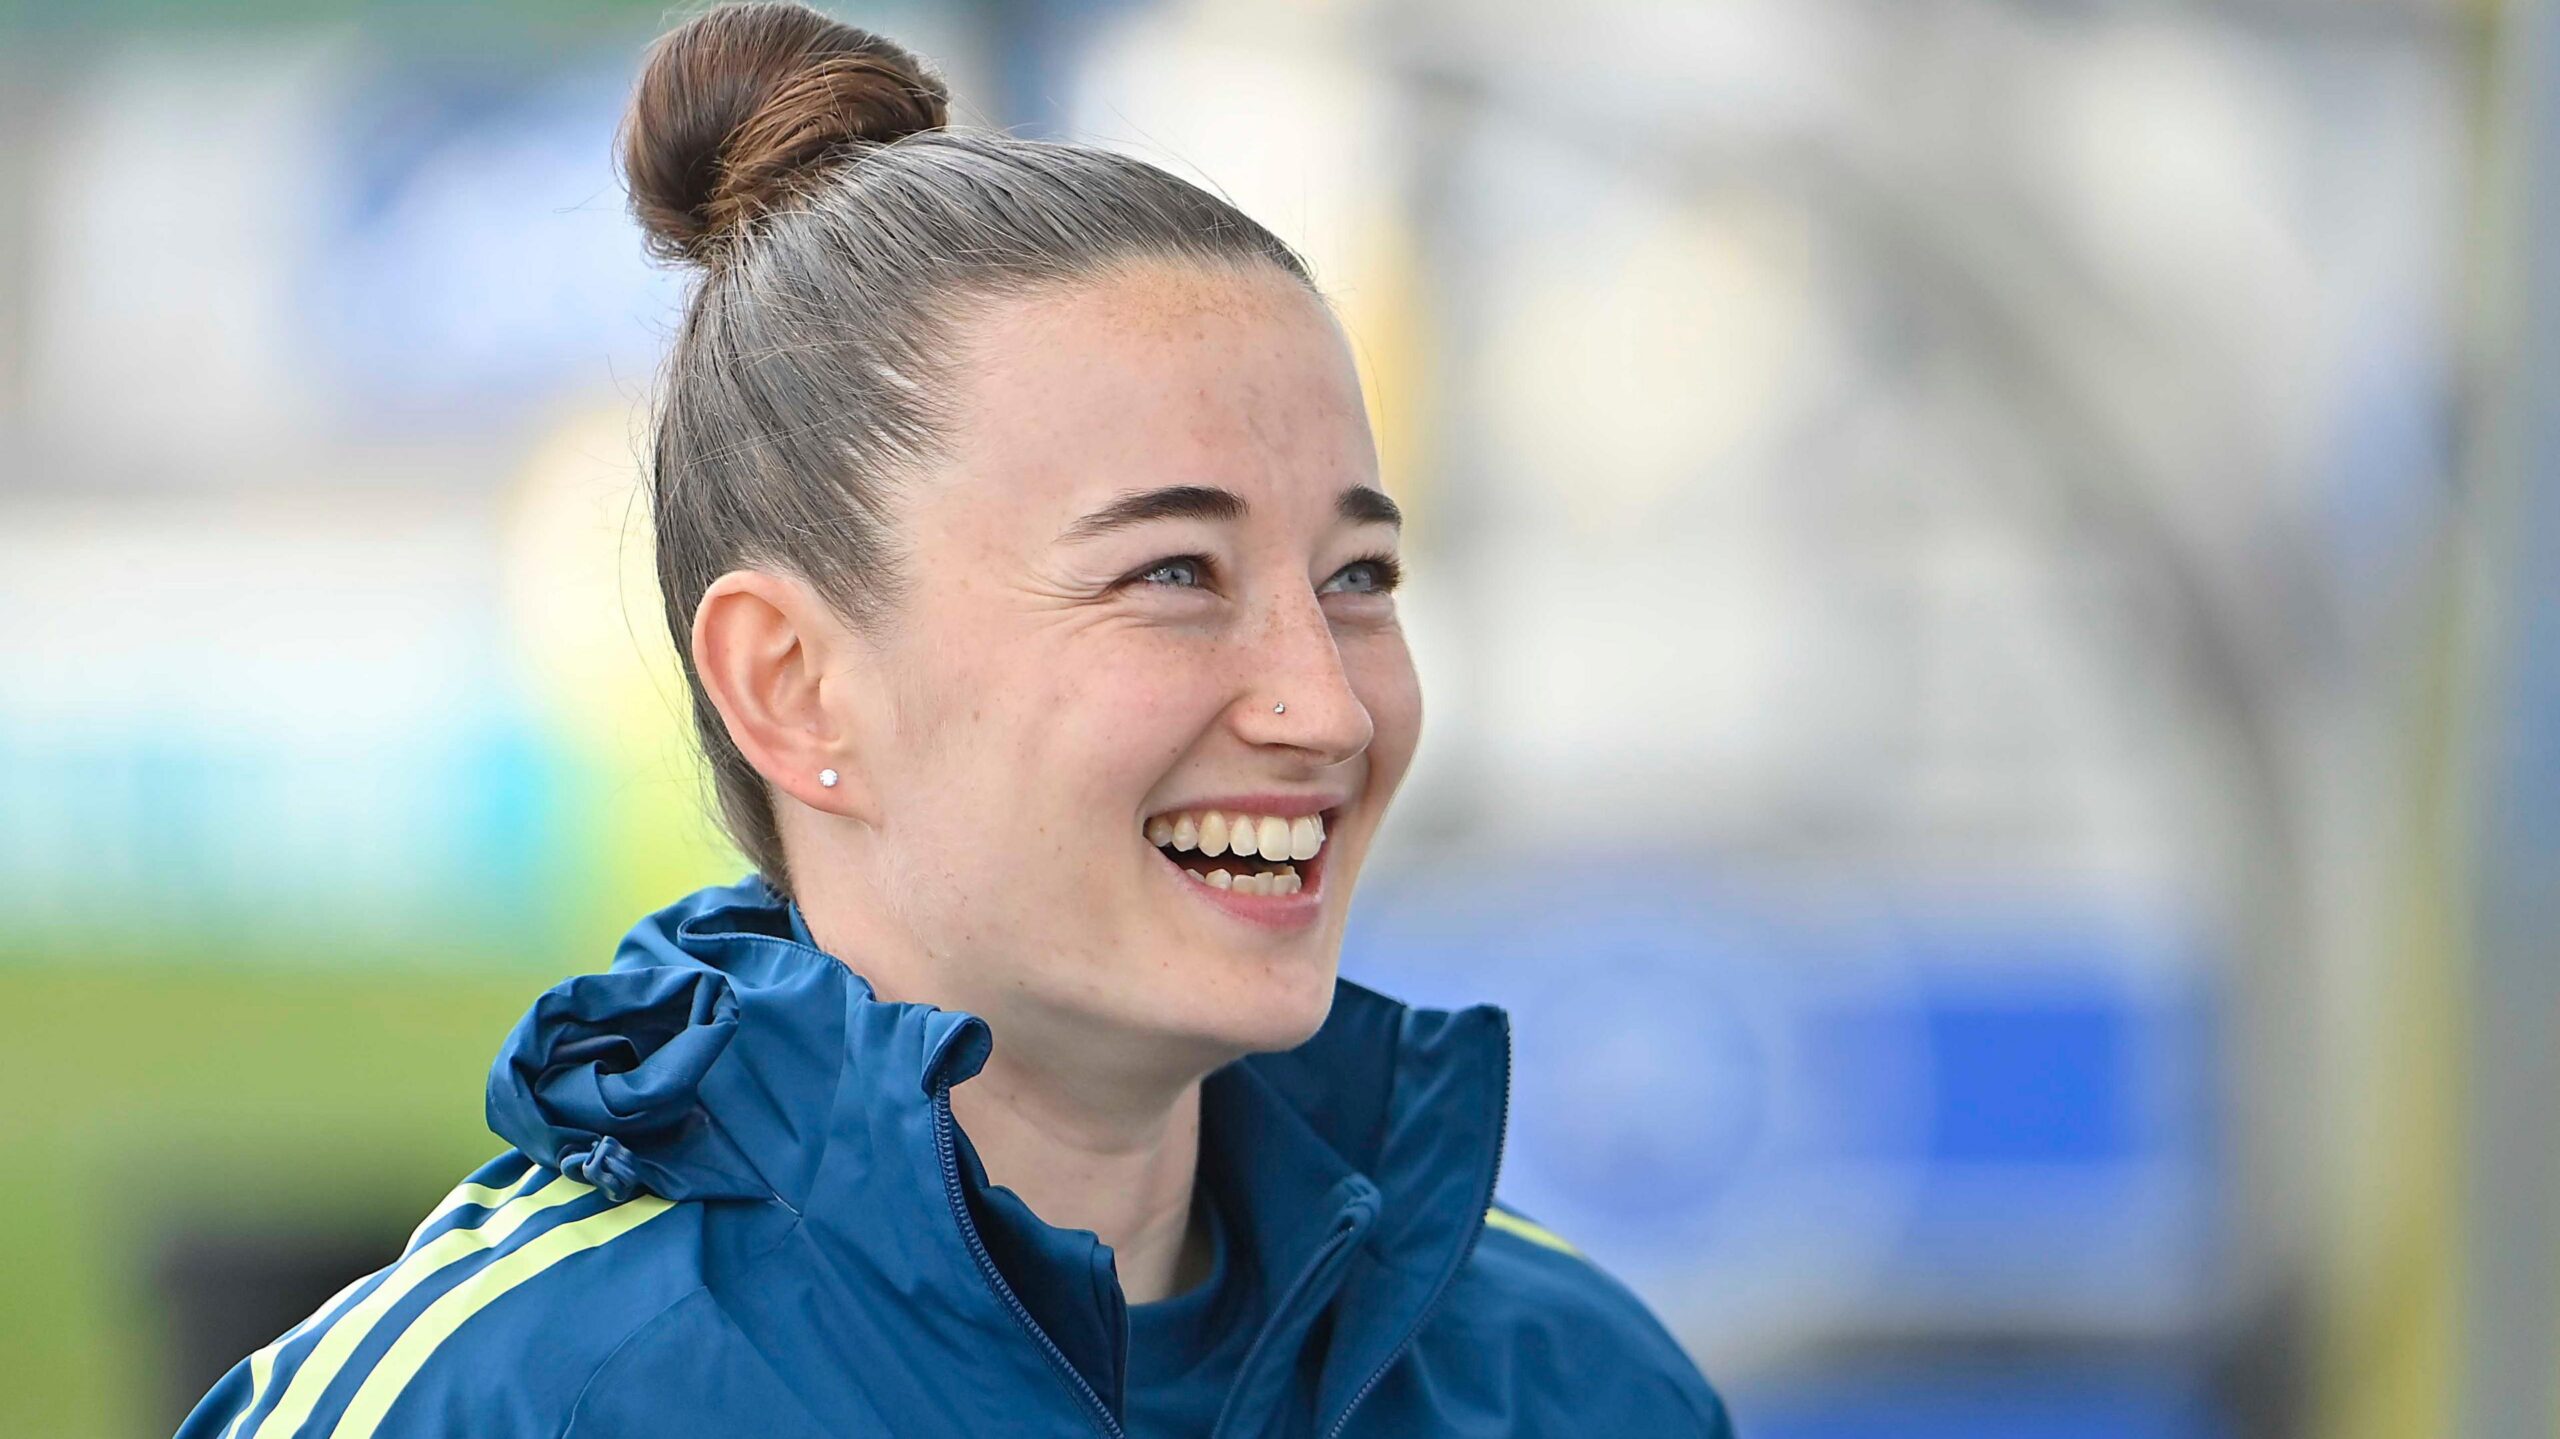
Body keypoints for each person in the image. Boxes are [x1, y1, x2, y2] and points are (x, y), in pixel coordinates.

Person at [174, 3, 1737, 1435]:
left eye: (1359, 576)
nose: (1324, 705)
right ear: (793, 684)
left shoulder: (1571, 1381)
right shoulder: (507, 1402)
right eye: (1173, 572)